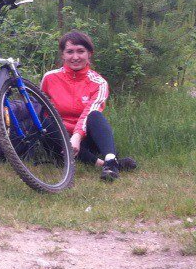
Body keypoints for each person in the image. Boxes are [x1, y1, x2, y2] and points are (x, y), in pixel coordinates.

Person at [40, 30, 137, 181]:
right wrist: (67, 138)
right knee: (43, 122)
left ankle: (110, 162)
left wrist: (77, 137)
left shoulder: (99, 82)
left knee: (95, 115)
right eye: (70, 52)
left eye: (81, 51)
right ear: (63, 55)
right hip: (59, 138)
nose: (75, 57)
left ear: (89, 54)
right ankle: (101, 163)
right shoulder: (49, 78)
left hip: (85, 138)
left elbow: (90, 111)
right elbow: (43, 109)